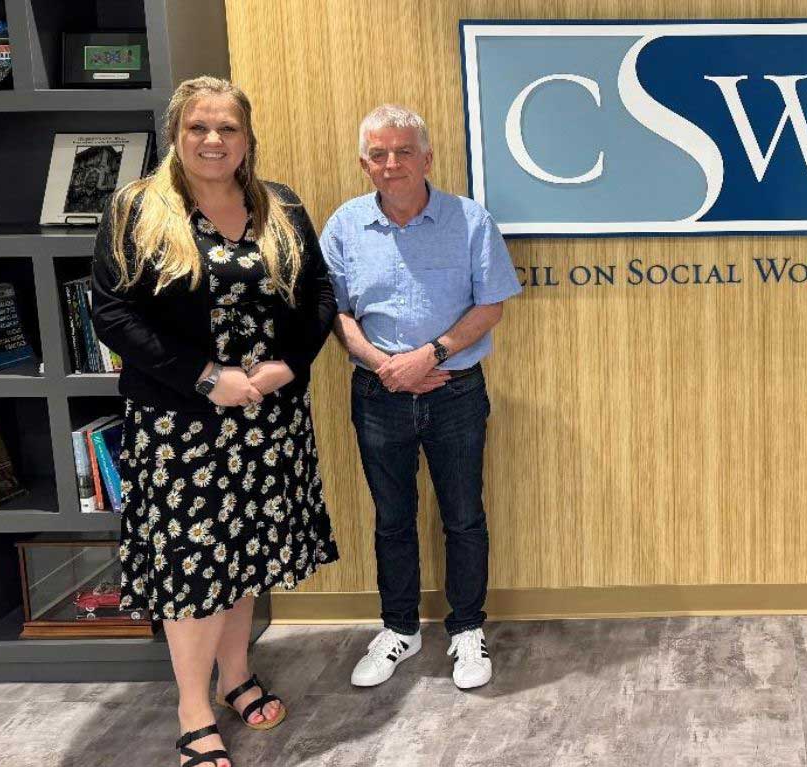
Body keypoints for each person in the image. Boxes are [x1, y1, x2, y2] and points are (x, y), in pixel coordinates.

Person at [92, 76, 339, 767]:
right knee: (192, 567)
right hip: (181, 426)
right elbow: (112, 314)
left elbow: (319, 294)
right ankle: (193, 708)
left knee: (245, 553)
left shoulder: (279, 206)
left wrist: (285, 366)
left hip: (268, 417)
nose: (212, 139)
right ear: (176, 134)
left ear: (247, 139)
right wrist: (207, 377)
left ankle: (236, 678)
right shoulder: (137, 209)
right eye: (198, 126)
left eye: (227, 128)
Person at [321, 104, 522, 691]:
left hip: (455, 390)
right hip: (378, 392)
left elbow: (492, 306)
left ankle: (465, 630)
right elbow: (335, 310)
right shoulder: (345, 224)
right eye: (378, 154)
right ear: (365, 163)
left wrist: (427, 357)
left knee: (463, 517)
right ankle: (400, 630)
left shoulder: (470, 220)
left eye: (403, 151)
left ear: (427, 158)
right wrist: (387, 366)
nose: (391, 164)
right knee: (392, 519)